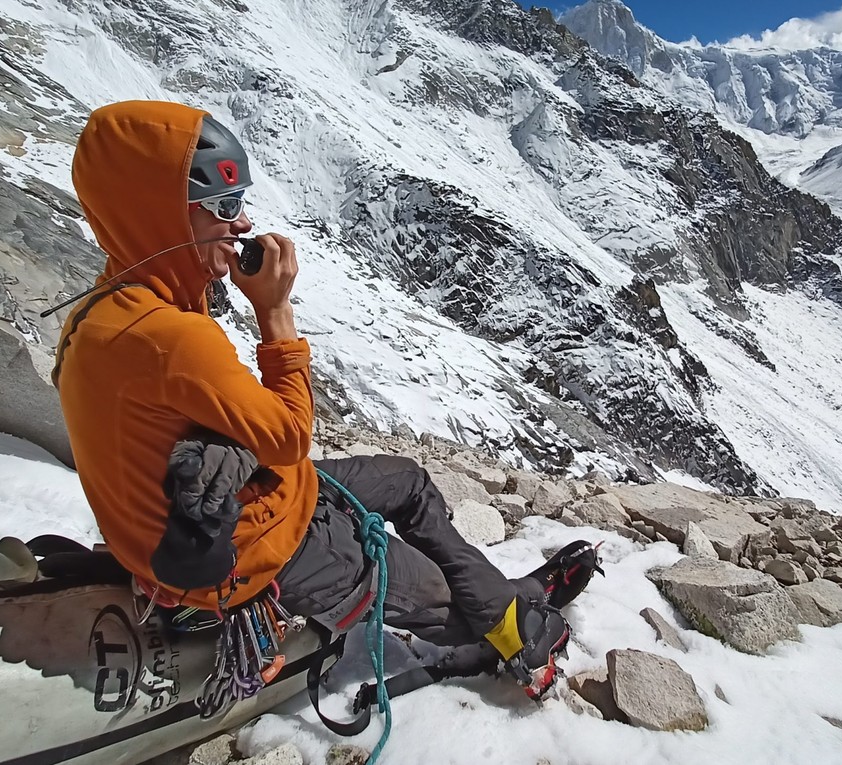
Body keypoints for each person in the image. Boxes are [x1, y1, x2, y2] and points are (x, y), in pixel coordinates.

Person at [52, 100, 597, 699]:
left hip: (263, 498)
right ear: (161, 219)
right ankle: (514, 624)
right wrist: (274, 311)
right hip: (259, 549)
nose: (241, 226)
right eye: (223, 208)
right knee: (437, 596)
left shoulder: (105, 311)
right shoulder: (169, 336)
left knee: (407, 481)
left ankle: (503, 599)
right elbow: (289, 435)